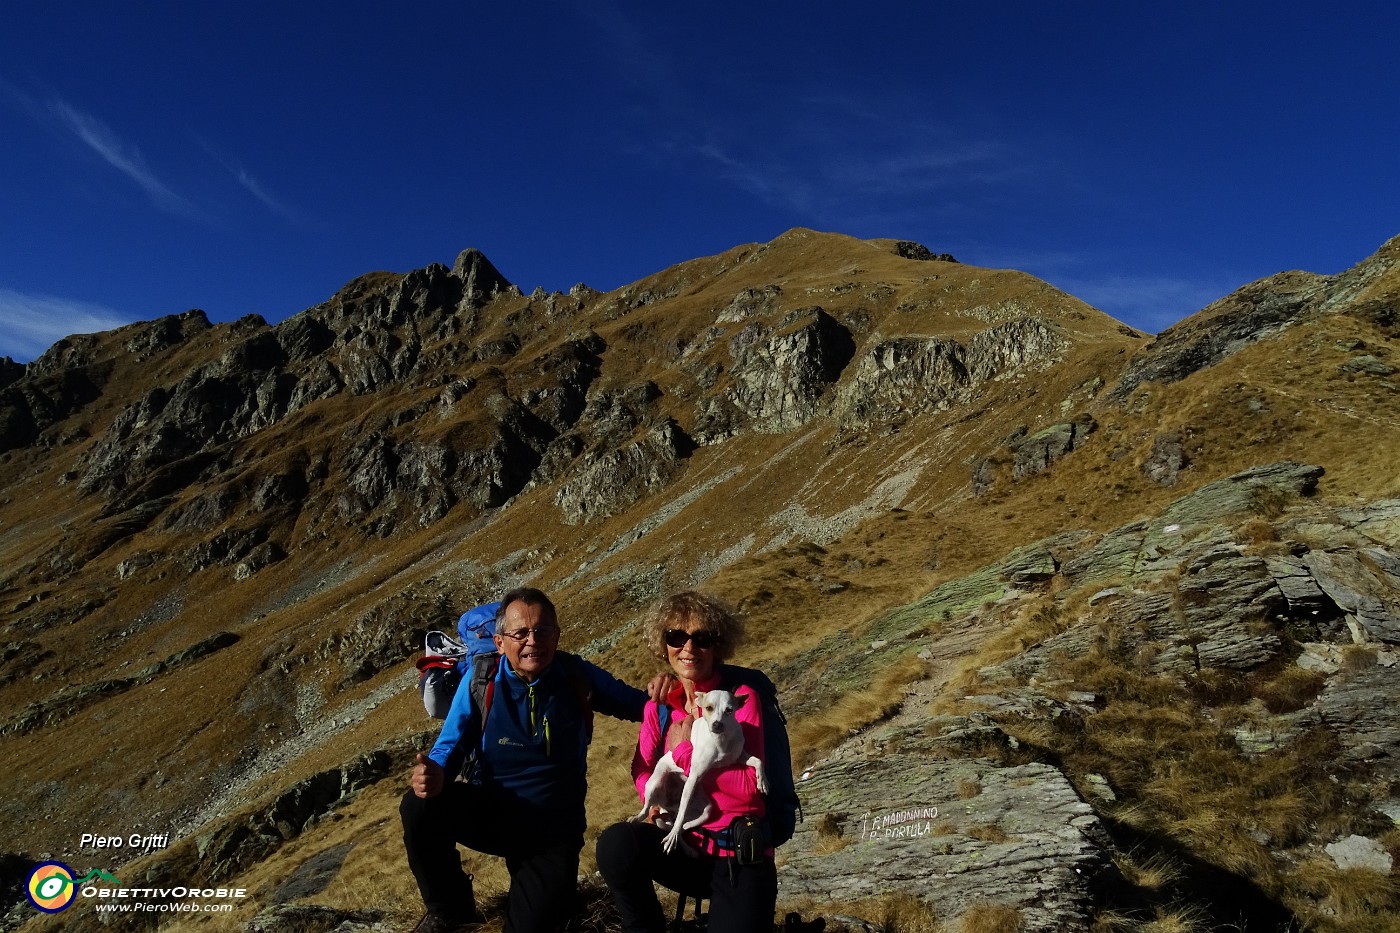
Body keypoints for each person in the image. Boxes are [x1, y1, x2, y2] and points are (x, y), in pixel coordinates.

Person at [401, 587, 649, 933]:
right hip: (492, 812)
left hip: (552, 831)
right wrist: (437, 771)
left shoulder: (575, 674)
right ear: (500, 642)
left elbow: (639, 704)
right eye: (520, 633)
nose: (533, 641)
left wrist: (680, 697)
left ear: (557, 636)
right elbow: (450, 743)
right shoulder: (481, 679)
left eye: (542, 630)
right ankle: (450, 910)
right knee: (419, 804)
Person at [596, 591, 778, 933]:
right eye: (676, 637)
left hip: (737, 856)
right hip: (682, 847)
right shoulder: (659, 707)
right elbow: (643, 768)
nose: (689, 649)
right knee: (616, 844)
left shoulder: (740, 702)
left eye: (703, 638)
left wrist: (682, 753)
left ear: (718, 646)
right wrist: (655, 801)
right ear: (663, 645)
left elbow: (747, 793)